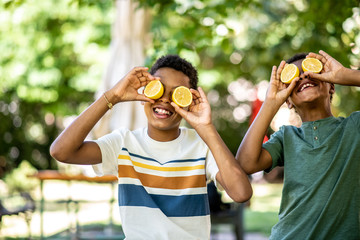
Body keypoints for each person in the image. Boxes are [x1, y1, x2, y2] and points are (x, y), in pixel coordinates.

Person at [50, 55, 252, 240]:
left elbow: (241, 193)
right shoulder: (123, 143)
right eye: (159, 89)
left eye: (176, 95)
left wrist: (206, 128)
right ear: (145, 94)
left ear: (188, 103)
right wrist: (113, 97)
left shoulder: (202, 146)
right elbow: (61, 151)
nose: (164, 99)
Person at [236, 50, 360, 239]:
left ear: (332, 87)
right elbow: (246, 164)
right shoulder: (286, 137)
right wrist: (270, 103)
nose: (304, 76)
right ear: (288, 101)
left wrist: (345, 75)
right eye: (294, 77)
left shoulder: (354, 126)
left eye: (312, 71)